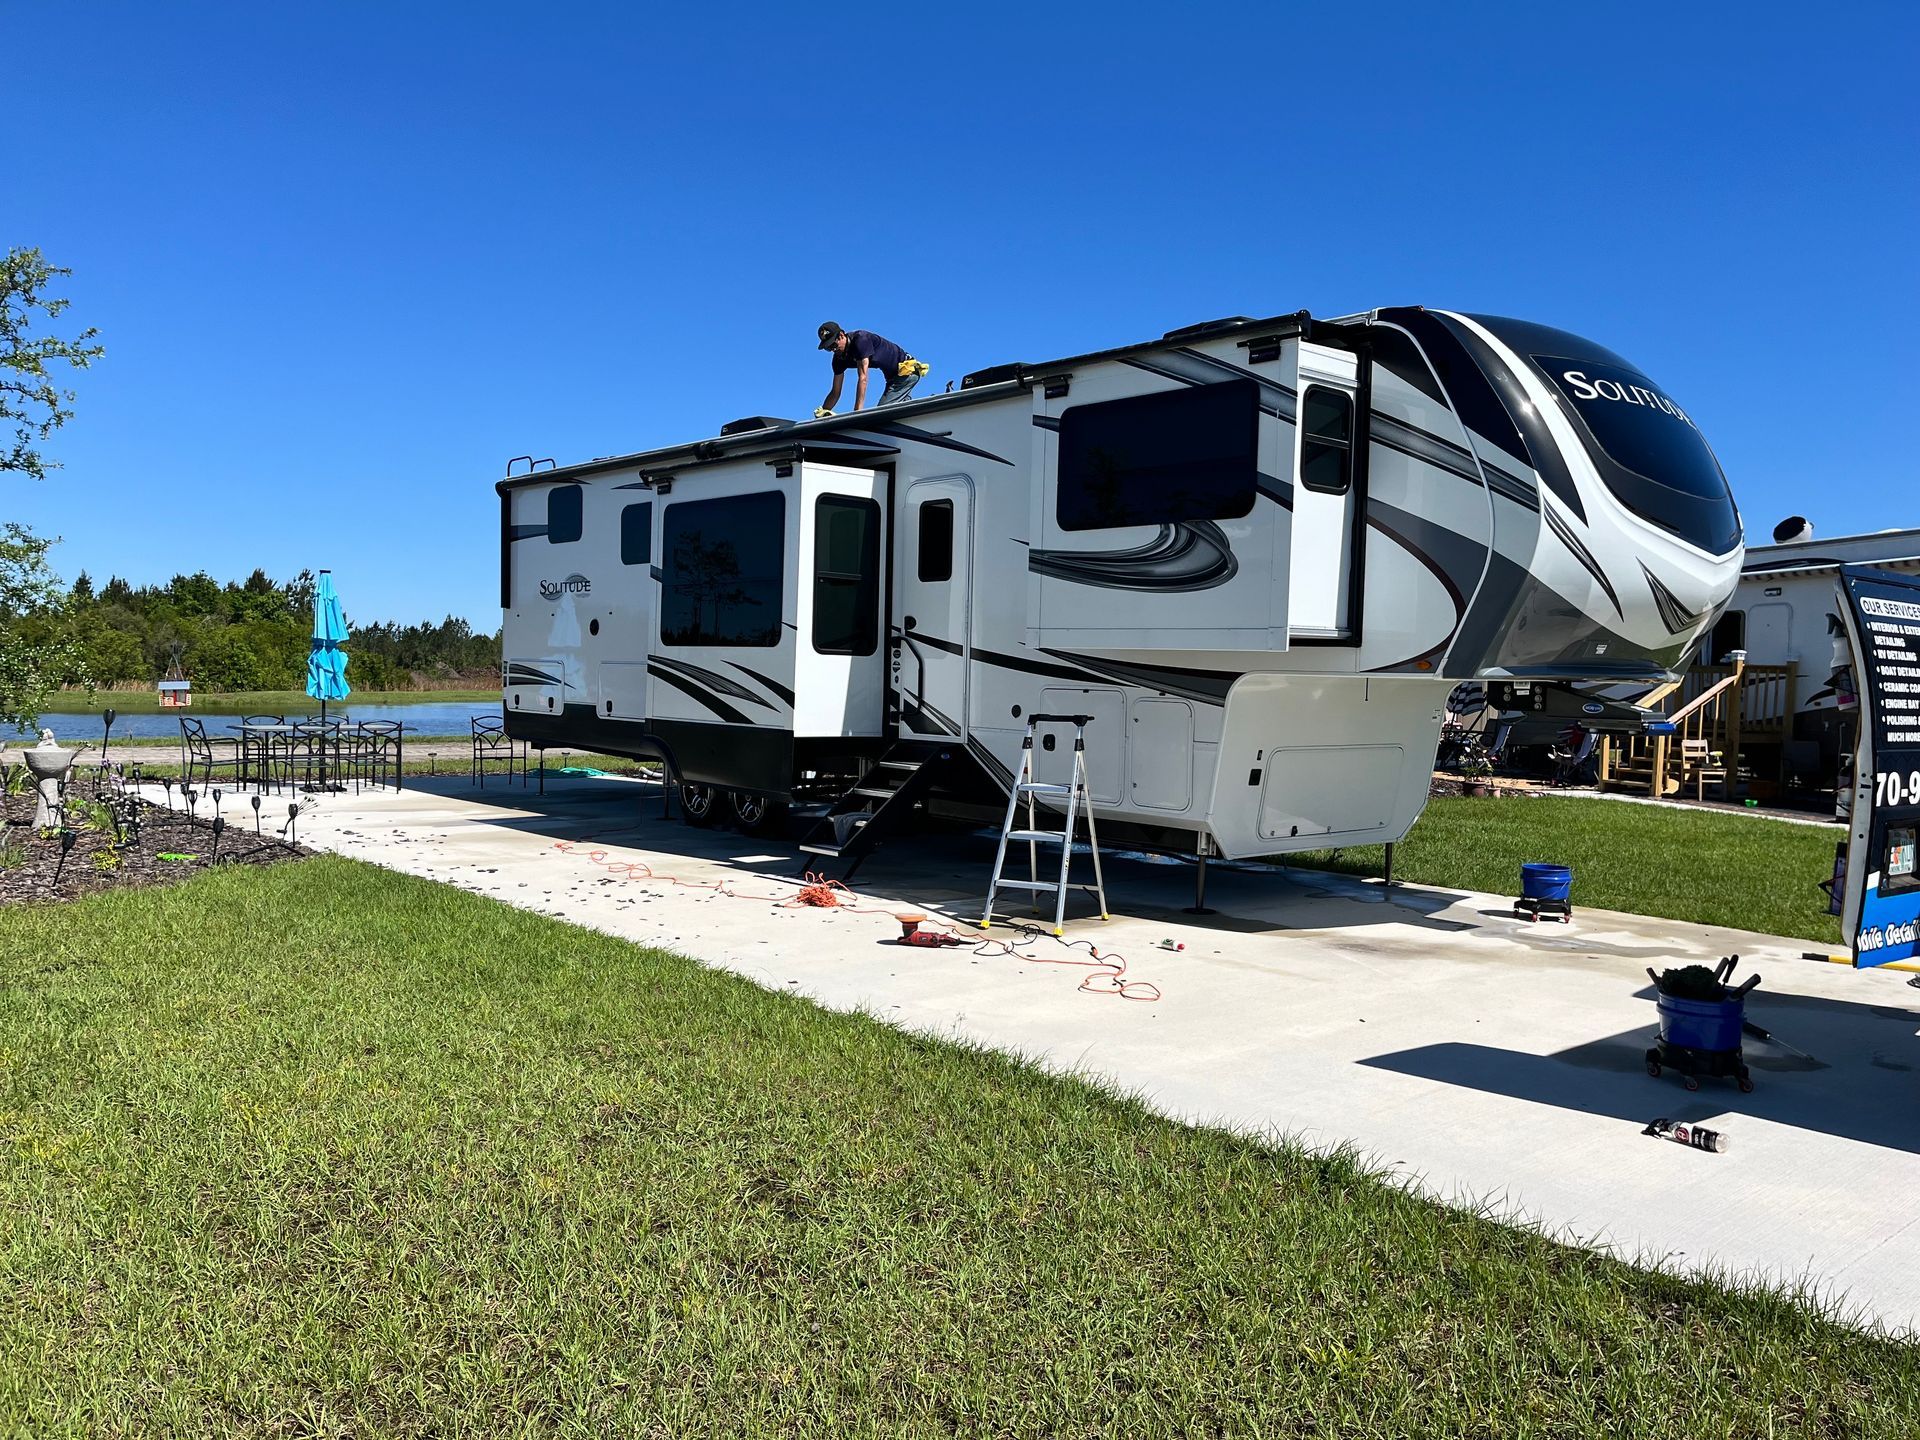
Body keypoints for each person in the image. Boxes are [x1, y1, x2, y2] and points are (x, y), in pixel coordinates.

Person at [815, 322, 928, 416]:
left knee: (881, 413)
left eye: (833, 345)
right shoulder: (838, 359)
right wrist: (823, 412)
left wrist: (857, 414)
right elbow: (835, 392)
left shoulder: (860, 340)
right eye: (828, 348)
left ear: (841, 335)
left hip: (907, 371)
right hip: (892, 379)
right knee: (896, 411)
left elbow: (863, 378)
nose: (833, 350)